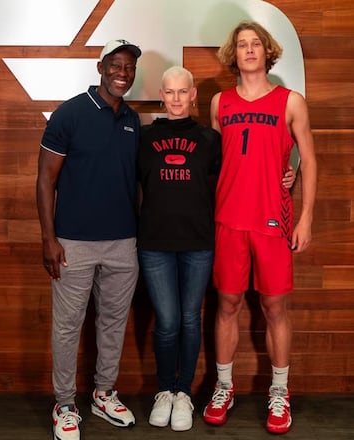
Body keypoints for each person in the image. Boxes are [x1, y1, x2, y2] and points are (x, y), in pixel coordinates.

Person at [202, 21, 317, 435]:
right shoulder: (219, 103)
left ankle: (280, 394)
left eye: (256, 44)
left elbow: (309, 159)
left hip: (273, 220)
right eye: (242, 45)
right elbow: (215, 162)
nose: (249, 50)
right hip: (228, 219)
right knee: (227, 305)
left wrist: (304, 216)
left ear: (268, 52)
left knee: (274, 308)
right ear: (233, 54)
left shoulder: (291, 101)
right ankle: (224, 387)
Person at [37, 39, 141, 440]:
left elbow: (136, 182)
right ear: (100, 67)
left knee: (113, 323)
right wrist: (49, 238)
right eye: (116, 65)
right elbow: (46, 179)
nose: (122, 73)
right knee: (68, 326)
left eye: (129, 67)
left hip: (123, 243)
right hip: (73, 243)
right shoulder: (70, 113)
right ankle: (64, 404)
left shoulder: (132, 120)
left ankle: (103, 393)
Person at [138, 66, 222, 432]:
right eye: (169, 92)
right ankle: (164, 391)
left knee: (190, 319)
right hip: (155, 242)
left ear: (192, 96)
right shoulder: (143, 138)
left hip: (198, 242)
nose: (175, 99)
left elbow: (229, 182)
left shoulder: (209, 139)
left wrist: (287, 171)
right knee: (168, 322)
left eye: (182, 92)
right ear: (162, 94)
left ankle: (184, 392)